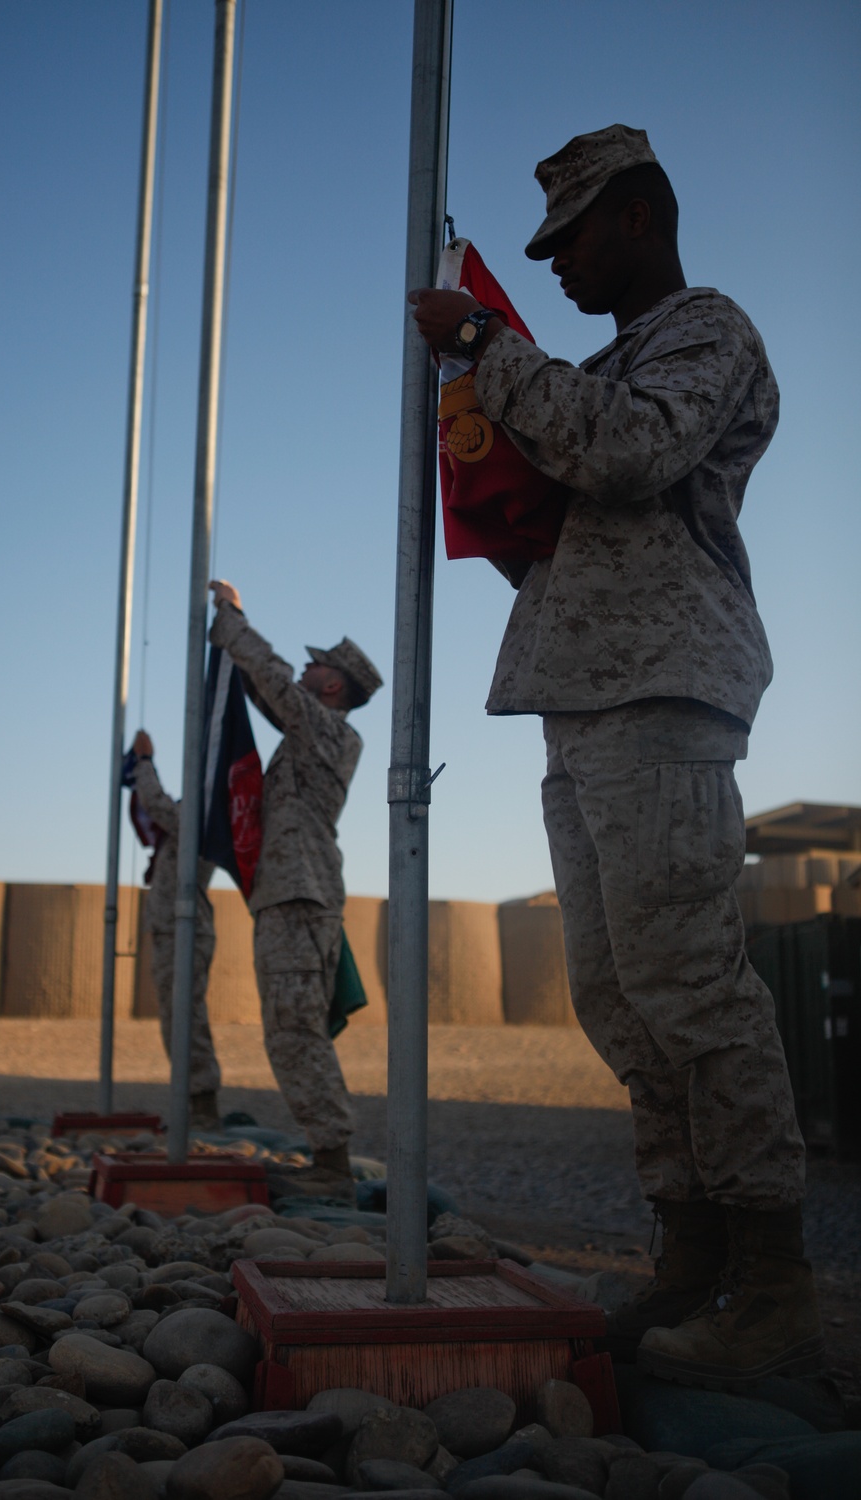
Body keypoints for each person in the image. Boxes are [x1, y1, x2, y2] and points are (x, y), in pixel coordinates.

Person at [409, 124, 822, 1389]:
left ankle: (772, 1287)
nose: (558, 265)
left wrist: (487, 344)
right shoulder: (596, 362)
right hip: (582, 699)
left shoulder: (709, 333)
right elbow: (564, 502)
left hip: (662, 693)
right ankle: (688, 1254)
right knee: (619, 997)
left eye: (571, 237)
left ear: (637, 215)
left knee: (689, 985)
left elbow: (631, 449)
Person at [207, 579, 382, 1197]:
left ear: (333, 686)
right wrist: (231, 643)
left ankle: (333, 1163)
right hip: (291, 894)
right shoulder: (311, 731)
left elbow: (274, 678)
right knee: (290, 1025)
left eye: (319, 663)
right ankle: (328, 1154)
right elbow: (265, 688)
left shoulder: (331, 732)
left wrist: (231, 621)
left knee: (293, 1026)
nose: (307, 667)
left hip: (298, 895)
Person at [130, 729, 222, 1131]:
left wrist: (144, 762)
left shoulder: (204, 815)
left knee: (185, 1016)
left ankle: (202, 1109)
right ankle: (193, 1104)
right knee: (175, 1015)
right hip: (173, 927)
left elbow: (156, 804)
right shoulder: (195, 814)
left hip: (185, 928)